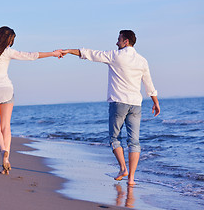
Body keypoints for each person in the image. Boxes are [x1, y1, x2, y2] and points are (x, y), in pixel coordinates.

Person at [60, 30, 160, 185]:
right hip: (135, 104)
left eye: (118, 40)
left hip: (118, 102)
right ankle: (132, 179)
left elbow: (90, 54)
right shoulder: (142, 61)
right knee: (134, 141)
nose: (116, 43)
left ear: (126, 41)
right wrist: (155, 101)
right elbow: (148, 83)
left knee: (115, 138)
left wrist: (68, 51)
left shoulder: (115, 56)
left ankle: (123, 168)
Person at [0, 26, 63, 175]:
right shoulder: (8, 52)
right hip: (6, 90)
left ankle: (2, 152)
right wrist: (53, 53)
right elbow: (31, 55)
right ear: (7, 40)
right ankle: (7, 157)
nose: (11, 44)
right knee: (6, 126)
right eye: (11, 41)